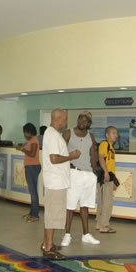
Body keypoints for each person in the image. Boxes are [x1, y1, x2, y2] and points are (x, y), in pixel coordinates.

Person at [41, 109, 80, 260]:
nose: (65, 122)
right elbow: (54, 159)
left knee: (52, 215)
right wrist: (72, 156)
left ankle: (47, 243)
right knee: (52, 216)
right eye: (64, 119)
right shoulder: (52, 135)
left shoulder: (52, 134)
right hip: (55, 182)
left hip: (57, 181)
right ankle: (49, 248)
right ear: (59, 119)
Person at [60, 112, 100, 246]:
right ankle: (67, 235)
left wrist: (95, 173)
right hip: (74, 173)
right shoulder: (68, 133)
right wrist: (66, 164)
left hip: (88, 175)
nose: (82, 122)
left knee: (85, 206)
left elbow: (92, 155)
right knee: (70, 206)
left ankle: (86, 234)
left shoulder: (91, 136)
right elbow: (60, 151)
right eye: (80, 119)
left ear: (89, 123)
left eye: (85, 121)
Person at [15, 123, 41, 223]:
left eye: (25, 132)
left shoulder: (34, 140)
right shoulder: (30, 140)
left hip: (32, 167)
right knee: (32, 191)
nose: (24, 134)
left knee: (33, 192)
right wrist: (22, 147)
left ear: (30, 132)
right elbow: (28, 150)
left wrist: (22, 149)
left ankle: (35, 215)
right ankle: (32, 213)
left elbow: (32, 154)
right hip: (30, 166)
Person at [96, 126, 118, 234]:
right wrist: (105, 172)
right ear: (107, 135)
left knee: (103, 200)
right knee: (107, 201)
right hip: (105, 176)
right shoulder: (104, 144)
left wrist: (113, 180)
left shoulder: (111, 147)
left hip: (108, 176)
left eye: (116, 133)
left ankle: (99, 223)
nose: (116, 135)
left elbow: (110, 165)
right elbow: (101, 157)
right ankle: (104, 225)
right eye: (113, 133)